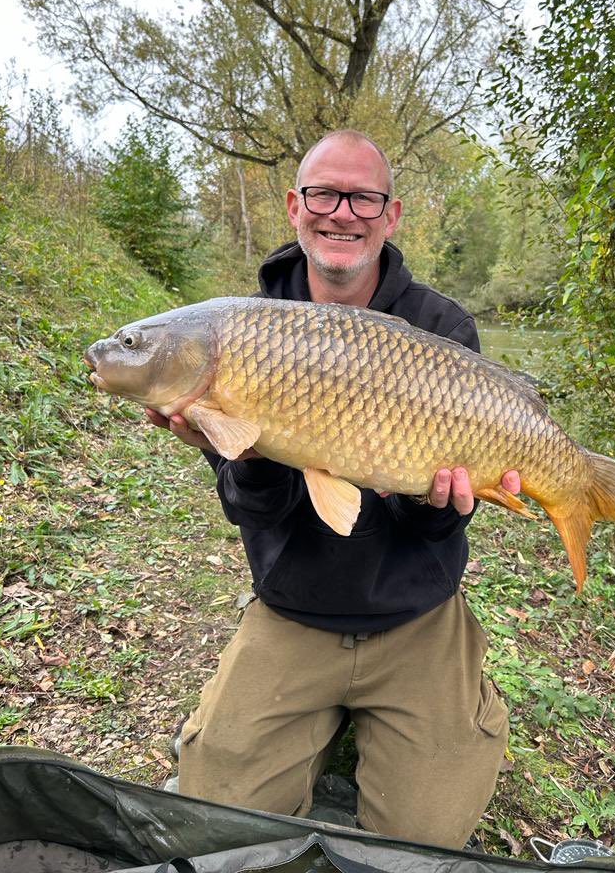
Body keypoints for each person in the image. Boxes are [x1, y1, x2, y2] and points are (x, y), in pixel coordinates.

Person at [145, 130, 519, 849]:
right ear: (295, 206)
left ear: (391, 214)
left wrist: (434, 503)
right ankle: (311, 717)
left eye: (363, 197)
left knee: (425, 845)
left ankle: (419, 706)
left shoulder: (441, 327)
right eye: (323, 194)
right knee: (217, 828)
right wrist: (244, 456)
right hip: (295, 608)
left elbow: (441, 527)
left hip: (416, 614)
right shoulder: (239, 334)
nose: (341, 213)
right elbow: (251, 510)